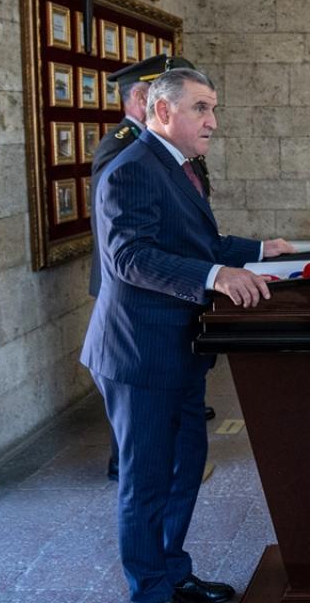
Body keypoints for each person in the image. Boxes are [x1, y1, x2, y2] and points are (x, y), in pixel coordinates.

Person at [82, 68, 296, 603]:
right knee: (146, 481)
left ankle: (172, 572)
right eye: (201, 108)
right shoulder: (131, 168)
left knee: (183, 470)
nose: (213, 121)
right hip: (139, 354)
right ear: (162, 111)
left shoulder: (178, 166)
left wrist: (262, 250)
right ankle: (150, 591)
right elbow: (130, 257)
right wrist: (217, 276)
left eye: (213, 108)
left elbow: (196, 243)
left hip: (180, 348)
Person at [88, 54, 196, 482]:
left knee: (155, 405)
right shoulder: (122, 149)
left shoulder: (158, 148)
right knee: (134, 403)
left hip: (163, 281)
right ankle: (125, 463)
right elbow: (121, 240)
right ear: (141, 98)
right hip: (132, 287)